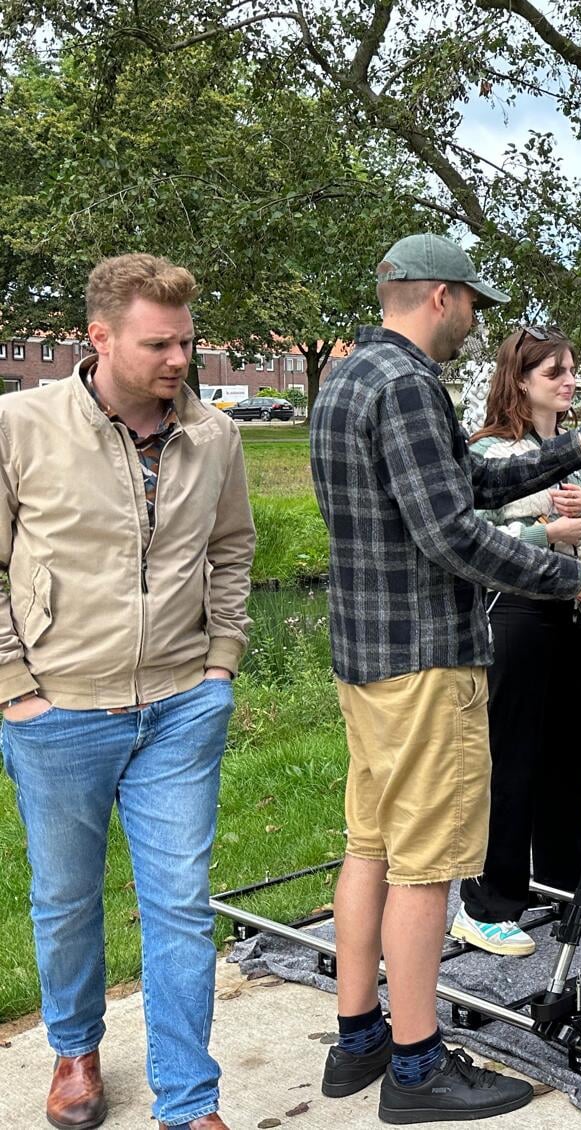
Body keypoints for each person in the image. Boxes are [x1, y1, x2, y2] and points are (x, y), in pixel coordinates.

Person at [309, 233, 581, 1123]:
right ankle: (419, 1069)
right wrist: (570, 574)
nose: (475, 321)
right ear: (439, 297)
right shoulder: (411, 384)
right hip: (426, 659)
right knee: (425, 866)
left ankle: (361, 1043)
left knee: (371, 848)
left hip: (366, 658)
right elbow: (453, 534)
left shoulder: (350, 376)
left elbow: (467, 477)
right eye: (474, 303)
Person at [0, 253, 254, 1130]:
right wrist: (13, 687)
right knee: (66, 898)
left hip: (183, 705)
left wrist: (221, 662)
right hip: (59, 711)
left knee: (181, 905)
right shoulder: (19, 425)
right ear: (99, 337)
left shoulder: (214, 434)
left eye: (188, 341)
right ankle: (74, 1051)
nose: (180, 359)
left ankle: (189, 1100)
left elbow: (232, 550)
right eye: (159, 343)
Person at [449, 325, 581, 957]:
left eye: (573, 370)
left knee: (566, 752)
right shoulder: (492, 453)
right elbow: (473, 541)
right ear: (521, 380)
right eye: (555, 372)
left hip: (571, 612)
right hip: (516, 613)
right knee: (510, 757)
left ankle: (561, 877)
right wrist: (546, 533)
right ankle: (487, 902)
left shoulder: (572, 448)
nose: (570, 381)